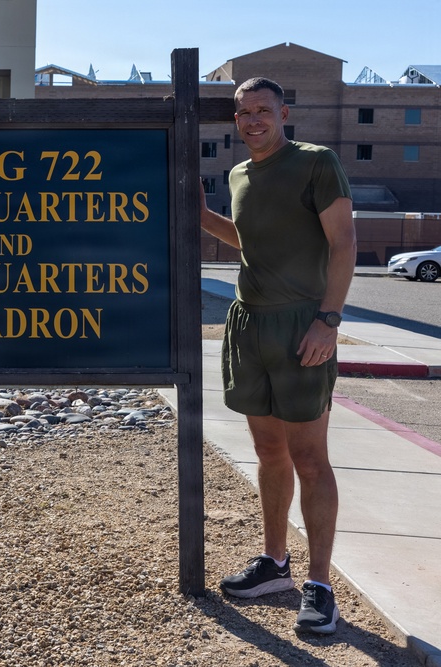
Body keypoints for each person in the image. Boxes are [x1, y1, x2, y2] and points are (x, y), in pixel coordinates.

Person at [199, 77, 356, 635]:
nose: (253, 120)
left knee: (310, 458)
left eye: (263, 110)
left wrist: (328, 321)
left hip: (302, 325)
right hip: (249, 324)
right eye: (244, 113)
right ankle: (275, 564)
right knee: (269, 453)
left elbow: (344, 242)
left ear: (283, 113)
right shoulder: (239, 174)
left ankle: (320, 585)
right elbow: (252, 243)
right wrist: (201, 215)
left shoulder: (316, 162)